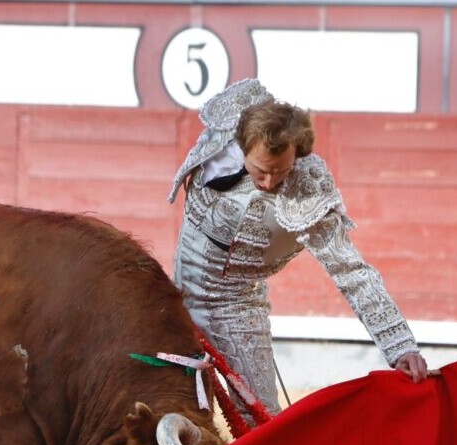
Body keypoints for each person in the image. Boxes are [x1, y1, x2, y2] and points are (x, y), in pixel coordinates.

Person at [168, 78, 428, 423]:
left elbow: (350, 270)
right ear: (242, 144)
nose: (271, 183)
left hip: (235, 309)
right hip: (174, 292)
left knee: (259, 419)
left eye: (282, 171)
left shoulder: (306, 190)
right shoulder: (229, 124)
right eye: (261, 171)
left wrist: (400, 345)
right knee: (162, 399)